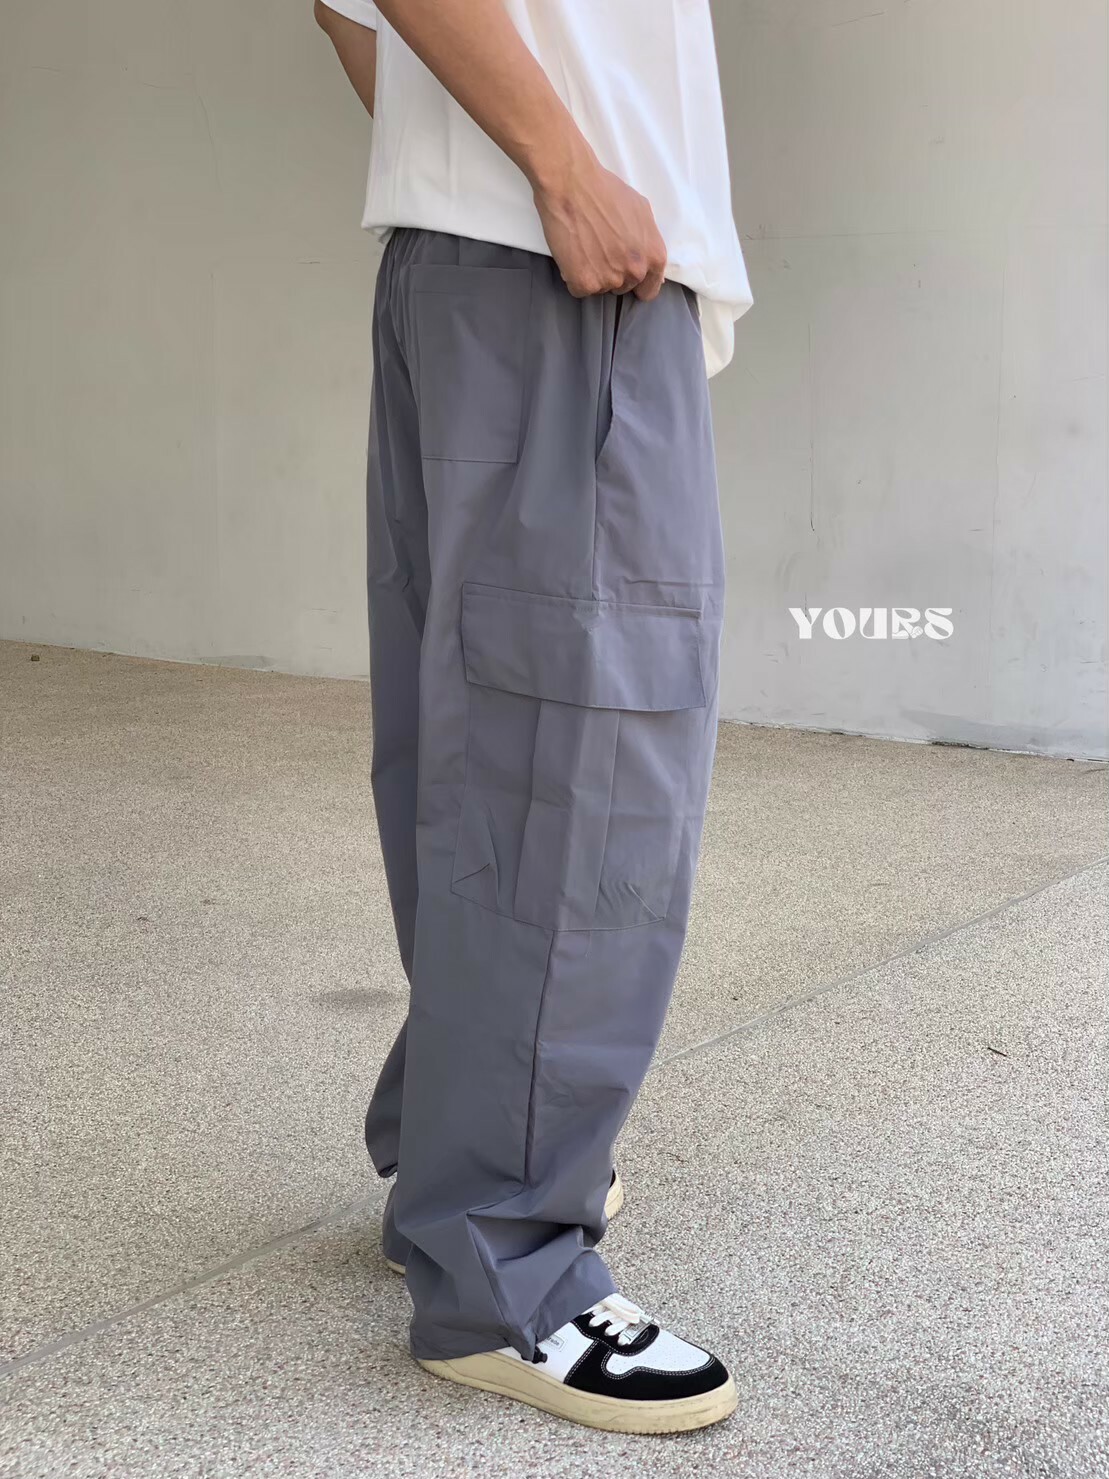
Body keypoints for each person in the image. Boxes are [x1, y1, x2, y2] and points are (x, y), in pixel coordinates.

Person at [315, 0, 753, 1435]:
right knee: (585, 766)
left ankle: (455, 1155)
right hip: (559, 271)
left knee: (475, 749)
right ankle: (505, 1263)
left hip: (469, 265)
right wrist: (557, 167)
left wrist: (461, 159)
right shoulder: (557, 195)